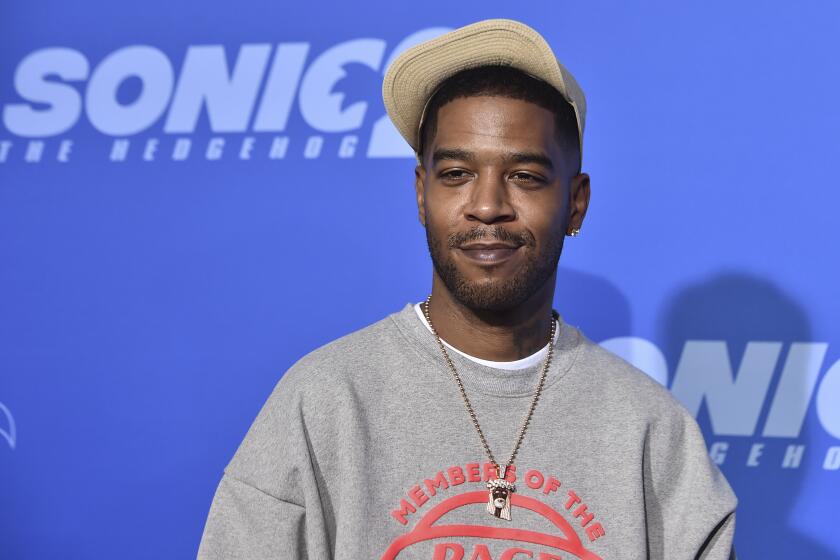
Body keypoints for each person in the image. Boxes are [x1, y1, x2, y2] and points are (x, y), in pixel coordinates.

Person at [196, 18, 737, 559]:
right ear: (420, 193)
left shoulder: (651, 431)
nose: (487, 205)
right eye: (456, 173)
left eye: (525, 176)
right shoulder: (323, 401)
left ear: (576, 203)